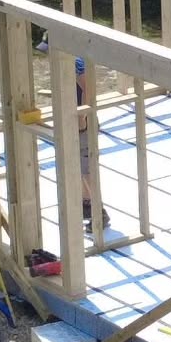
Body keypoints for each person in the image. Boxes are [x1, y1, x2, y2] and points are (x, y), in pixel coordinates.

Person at [74, 56, 110, 232]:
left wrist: (82, 116)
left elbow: (88, 87)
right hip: (75, 121)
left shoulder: (74, 62)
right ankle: (86, 204)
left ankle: (99, 213)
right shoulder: (69, 59)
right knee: (80, 166)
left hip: (83, 123)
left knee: (87, 169)